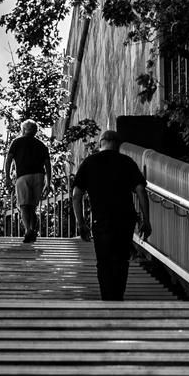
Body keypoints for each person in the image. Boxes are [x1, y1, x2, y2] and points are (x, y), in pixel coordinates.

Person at [71, 129, 153, 301]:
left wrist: (81, 223)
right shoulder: (127, 162)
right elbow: (140, 191)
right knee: (122, 260)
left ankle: (107, 299)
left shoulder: (89, 162)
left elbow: (76, 195)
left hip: (101, 220)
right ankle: (118, 297)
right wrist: (146, 220)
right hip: (125, 219)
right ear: (118, 145)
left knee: (104, 261)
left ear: (101, 142)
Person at [5, 120, 51, 243]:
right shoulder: (41, 145)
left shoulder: (16, 142)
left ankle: (28, 230)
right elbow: (47, 164)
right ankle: (32, 229)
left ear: (23, 130)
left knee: (24, 205)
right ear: (35, 131)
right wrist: (48, 182)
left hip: (23, 176)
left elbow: (8, 160)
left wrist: (8, 177)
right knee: (32, 207)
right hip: (39, 176)